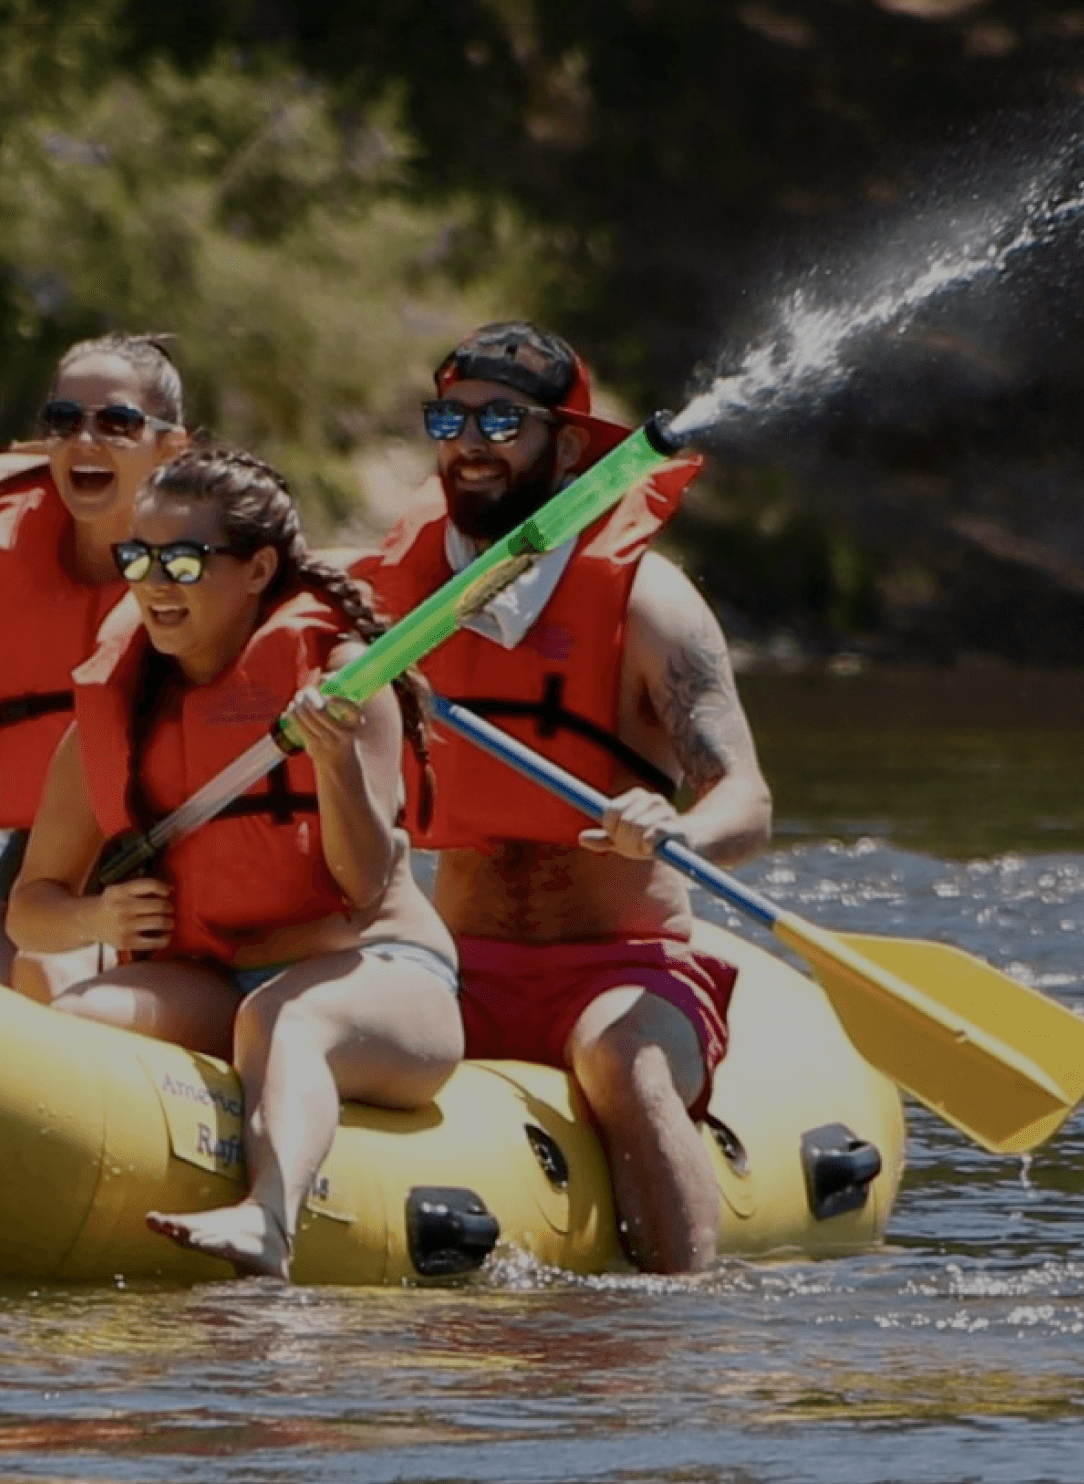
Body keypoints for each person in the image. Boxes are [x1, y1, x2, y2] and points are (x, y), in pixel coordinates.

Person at [353, 320, 768, 1275]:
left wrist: (679, 828)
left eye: (501, 419)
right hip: (454, 965)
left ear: (569, 445)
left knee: (625, 1065)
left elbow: (746, 801)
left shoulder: (647, 604)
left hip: (619, 968)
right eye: (448, 419)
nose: (468, 442)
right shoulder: (393, 606)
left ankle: (682, 1320)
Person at [7, 446, 463, 1280]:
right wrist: (95, 920)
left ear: (257, 569)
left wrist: (335, 766)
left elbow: (365, 887)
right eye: (136, 558)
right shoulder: (114, 716)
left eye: (182, 560)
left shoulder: (344, 687)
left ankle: (270, 1222)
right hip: (213, 979)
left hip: (376, 970)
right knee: (73, 1018)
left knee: (281, 1020)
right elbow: (28, 910)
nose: (154, 583)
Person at [0, 334, 191, 998]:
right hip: (42, 874)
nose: (84, 439)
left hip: (174, 873)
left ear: (170, 446)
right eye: (63, 421)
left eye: (115, 423)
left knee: (43, 973)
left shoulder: (205, 579)